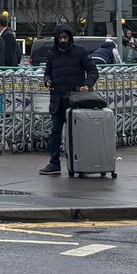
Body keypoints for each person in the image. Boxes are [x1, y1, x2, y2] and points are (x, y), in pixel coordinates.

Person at [40, 25, 100, 177]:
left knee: (78, 134)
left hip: (75, 99)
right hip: (58, 99)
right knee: (55, 132)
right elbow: (47, 73)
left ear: (70, 37)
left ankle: (81, 162)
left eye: (65, 37)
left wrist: (87, 84)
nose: (63, 40)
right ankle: (54, 163)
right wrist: (47, 81)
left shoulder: (80, 52)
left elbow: (93, 70)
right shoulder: (51, 54)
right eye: (60, 38)